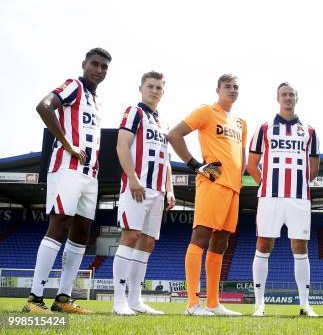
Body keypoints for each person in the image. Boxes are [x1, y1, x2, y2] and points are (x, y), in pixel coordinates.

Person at [24, 48, 111, 314]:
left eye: (104, 67)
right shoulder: (73, 85)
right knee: (60, 224)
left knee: (82, 232)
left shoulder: (96, 100)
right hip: (67, 167)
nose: (99, 70)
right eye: (94, 64)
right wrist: (67, 144)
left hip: (89, 174)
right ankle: (34, 299)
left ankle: (63, 299)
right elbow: (44, 106)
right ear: (84, 64)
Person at [167, 74, 247, 316]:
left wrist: (238, 178)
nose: (232, 90)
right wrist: (196, 165)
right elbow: (173, 135)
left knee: (221, 243)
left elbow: (241, 158)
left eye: (236, 87)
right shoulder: (206, 111)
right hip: (212, 184)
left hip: (233, 188)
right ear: (218, 90)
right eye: (227, 87)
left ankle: (213, 303)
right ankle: (192, 304)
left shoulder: (241, 122)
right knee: (201, 236)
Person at [247, 82, 320, 317]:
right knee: (263, 244)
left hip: (299, 198)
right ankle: (259, 304)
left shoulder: (309, 131)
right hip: (270, 197)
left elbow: (314, 168)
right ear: (277, 98)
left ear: (297, 98)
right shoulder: (264, 128)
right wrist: (266, 184)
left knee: (300, 246)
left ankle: (305, 304)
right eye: (284, 95)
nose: (287, 98)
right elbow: (251, 163)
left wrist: (298, 184)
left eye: (291, 95)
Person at [112, 71, 176, 315]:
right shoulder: (133, 112)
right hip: (137, 187)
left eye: (159, 87)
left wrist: (169, 189)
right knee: (130, 236)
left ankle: (136, 300)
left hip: (158, 191)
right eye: (151, 86)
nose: (155, 91)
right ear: (141, 88)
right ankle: (119, 301)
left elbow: (166, 159)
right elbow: (122, 145)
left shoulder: (162, 122)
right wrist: (133, 178)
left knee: (147, 242)